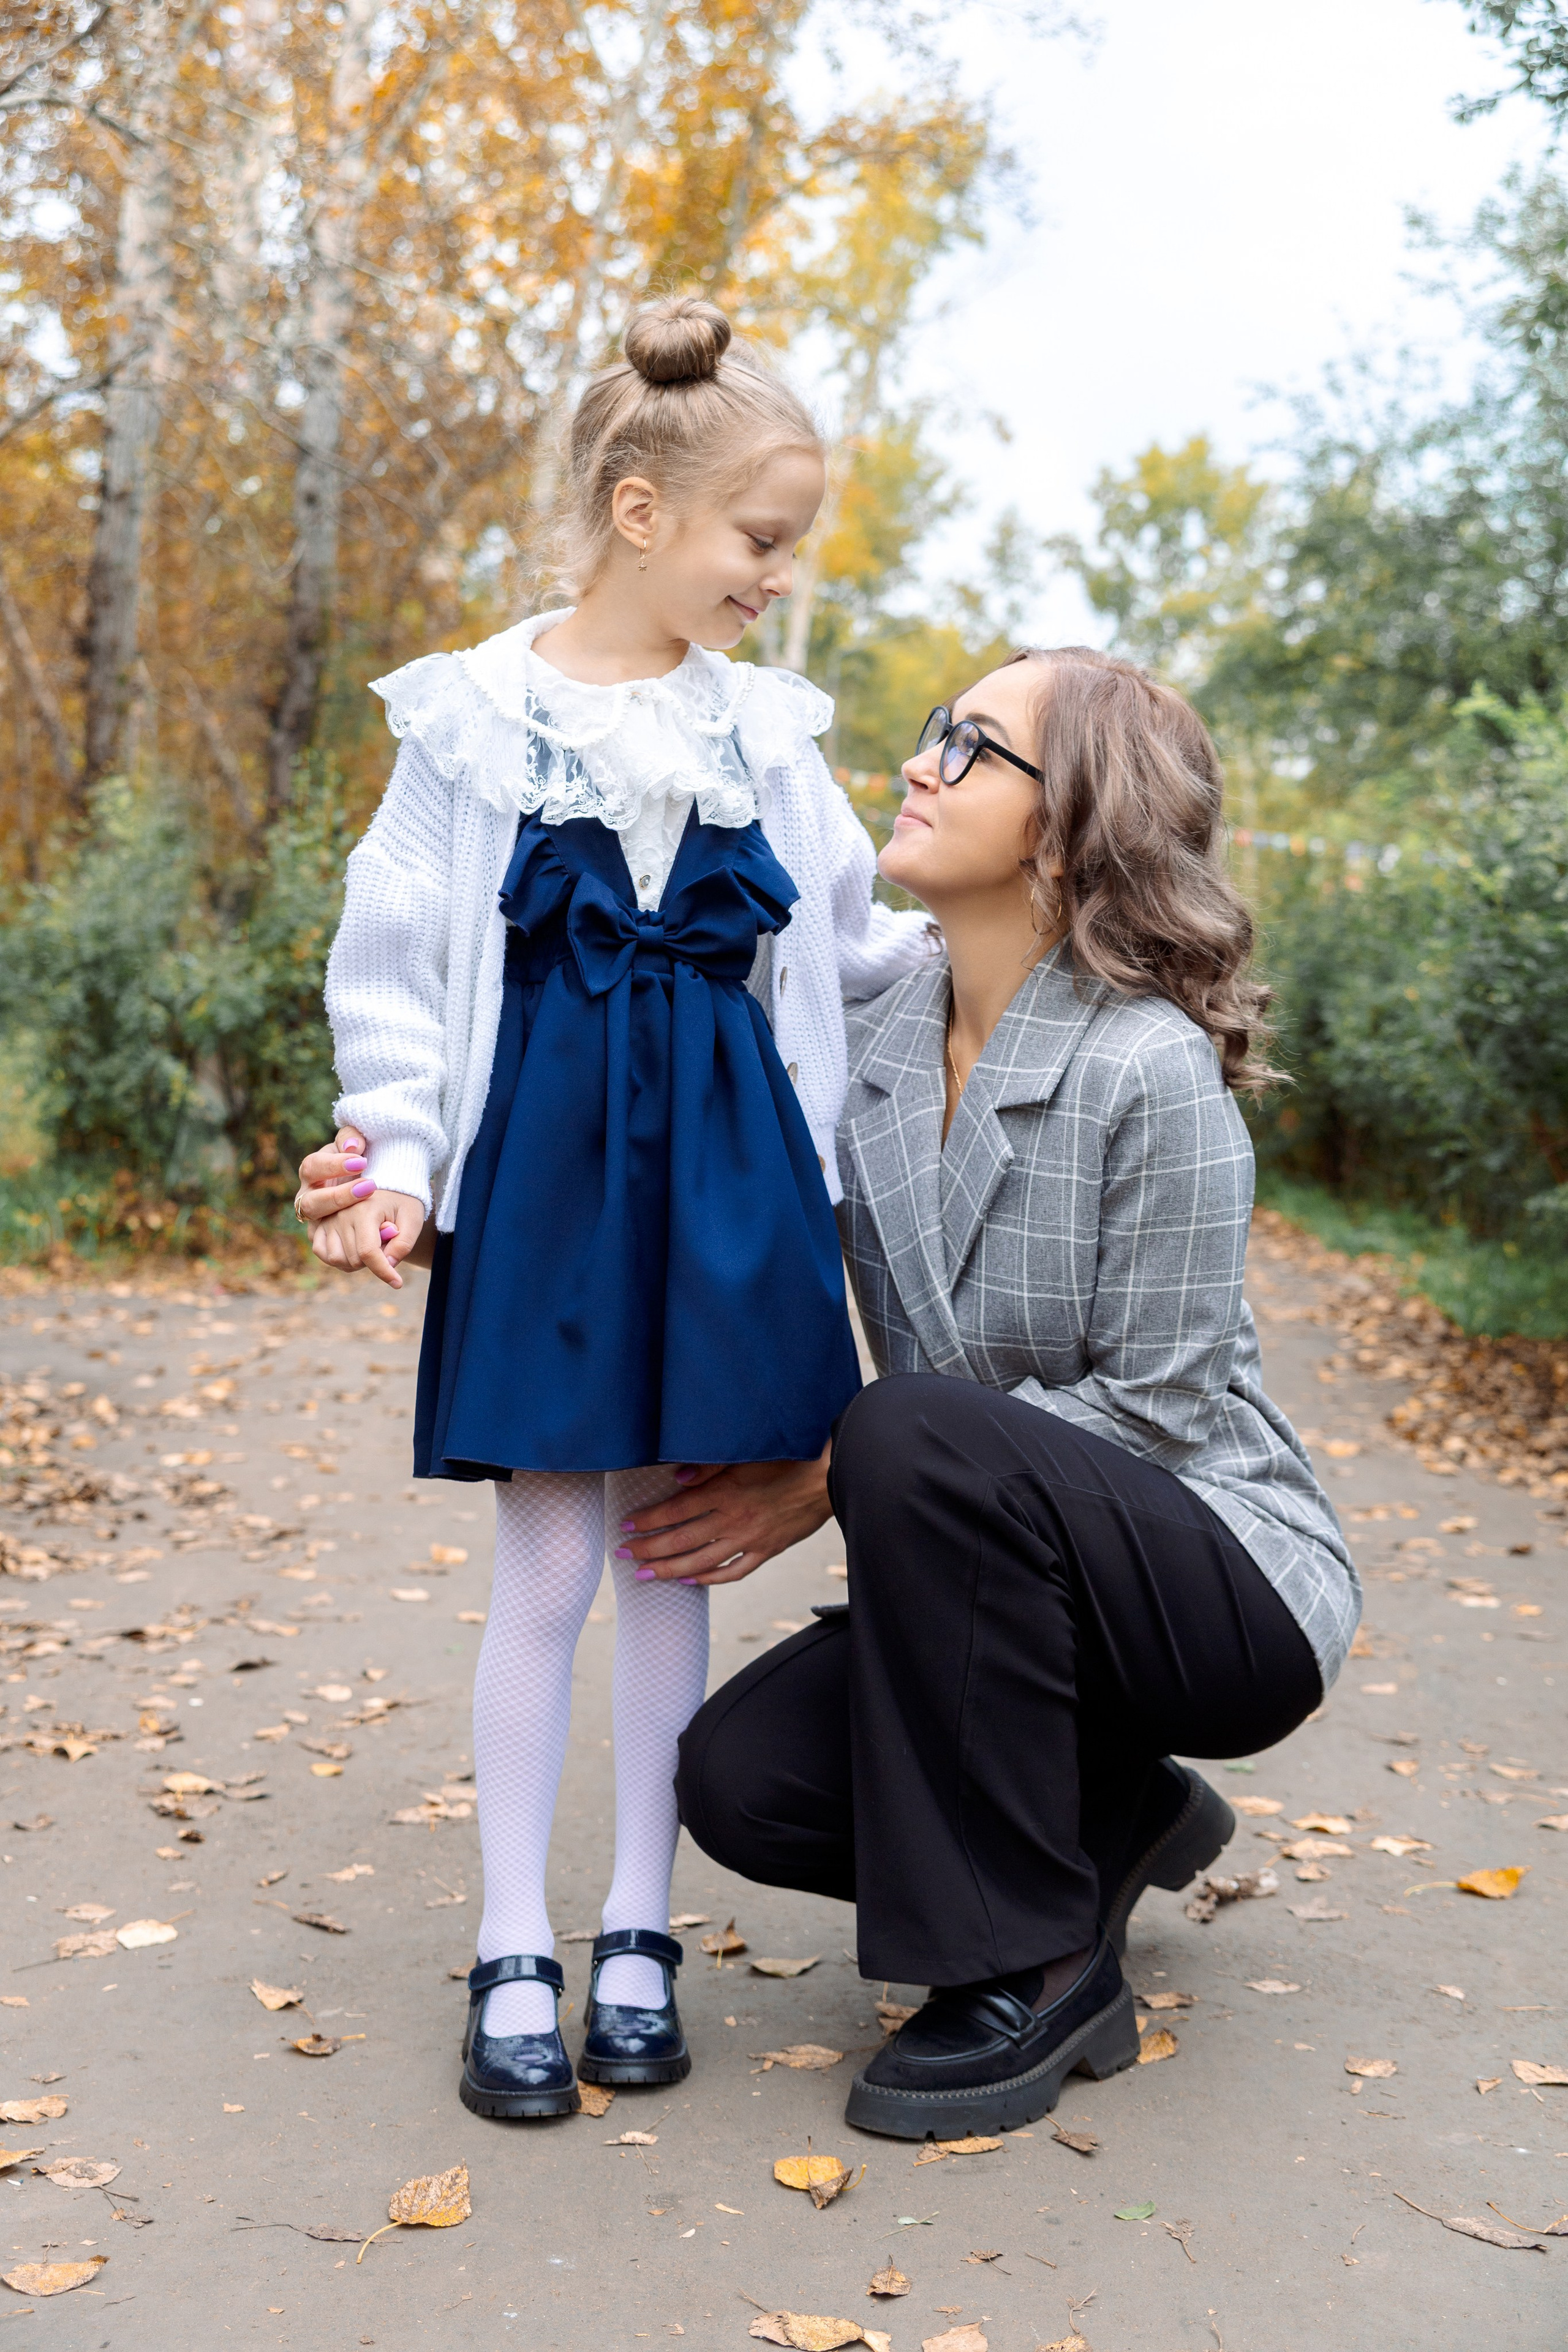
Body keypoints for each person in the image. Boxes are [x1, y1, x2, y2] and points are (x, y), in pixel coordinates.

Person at [303, 293, 933, 2122]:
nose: (773, 578)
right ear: (643, 510)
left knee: (680, 1548)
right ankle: (516, 1937)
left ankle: (641, 1929)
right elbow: (400, 967)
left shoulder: (772, 735)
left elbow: (855, 956)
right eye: (759, 539)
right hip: (555, 1185)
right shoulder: (473, 722)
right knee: (553, 1561)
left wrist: (1024, 959)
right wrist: (398, 1165)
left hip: (734, 1189)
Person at [628, 648, 1360, 2140]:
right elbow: (642, 1076)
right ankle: (1111, 1815)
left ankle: (1030, 1967)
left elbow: (1158, 1410)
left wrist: (833, 1472)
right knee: (741, 1780)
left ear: (1064, 822)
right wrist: (410, 1176)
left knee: (902, 1424)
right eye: (930, 733)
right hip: (1004, 1582)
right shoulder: (873, 1041)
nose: (916, 761)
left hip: (1219, 1581)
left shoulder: (1148, 1065)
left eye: (968, 746)